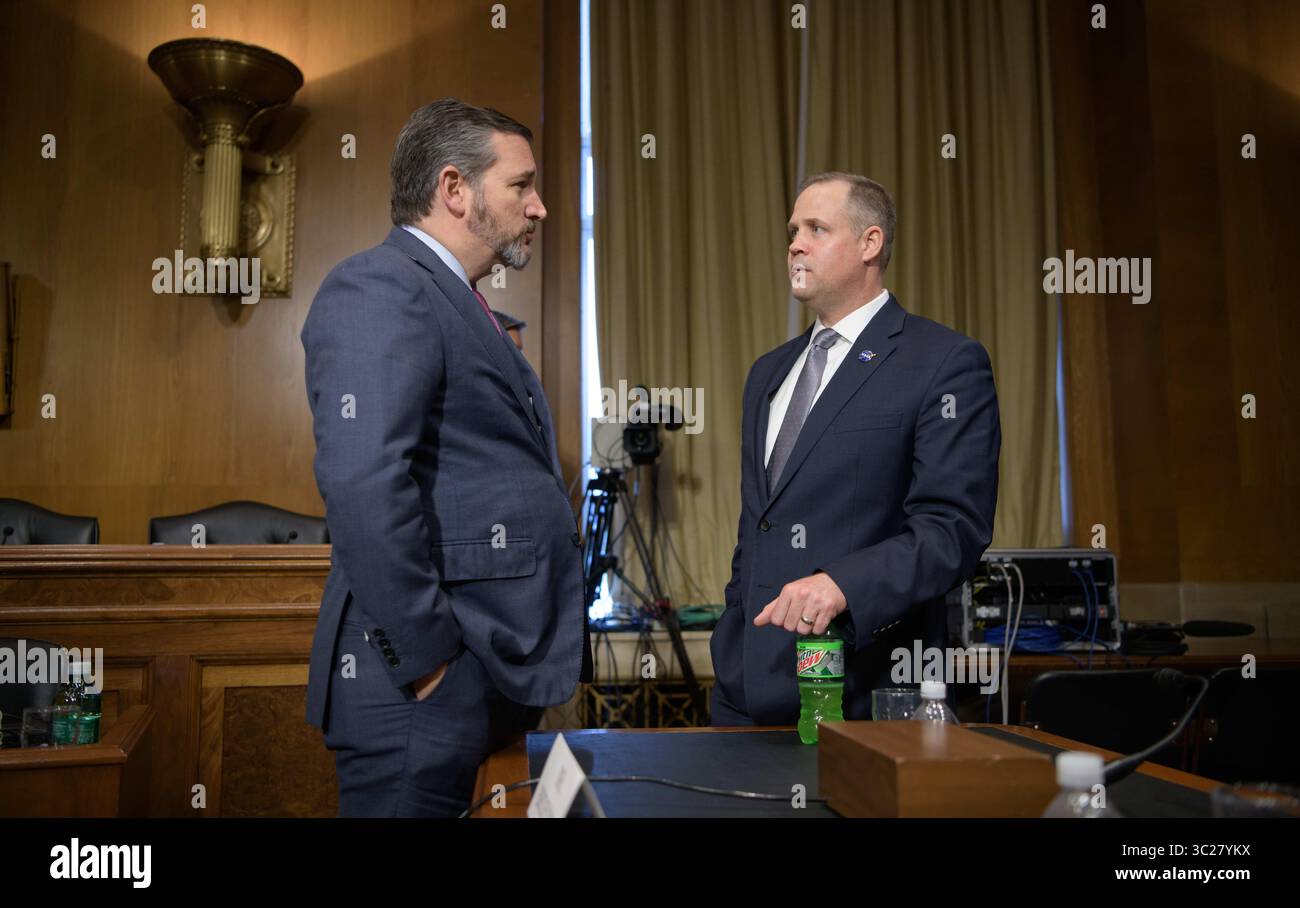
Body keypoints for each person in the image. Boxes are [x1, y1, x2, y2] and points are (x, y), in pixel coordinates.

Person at [300, 98, 591, 816]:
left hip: (483, 673)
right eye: (521, 185)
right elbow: (364, 483)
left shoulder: (465, 301)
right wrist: (429, 662)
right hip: (418, 691)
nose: (540, 206)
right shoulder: (382, 285)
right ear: (454, 189)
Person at [710, 172, 1000, 725]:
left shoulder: (944, 362)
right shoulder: (767, 373)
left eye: (816, 228)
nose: (795, 243)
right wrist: (731, 633)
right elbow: (759, 527)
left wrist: (844, 584)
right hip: (744, 693)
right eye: (793, 229)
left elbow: (951, 530)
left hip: (865, 691)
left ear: (871, 243)